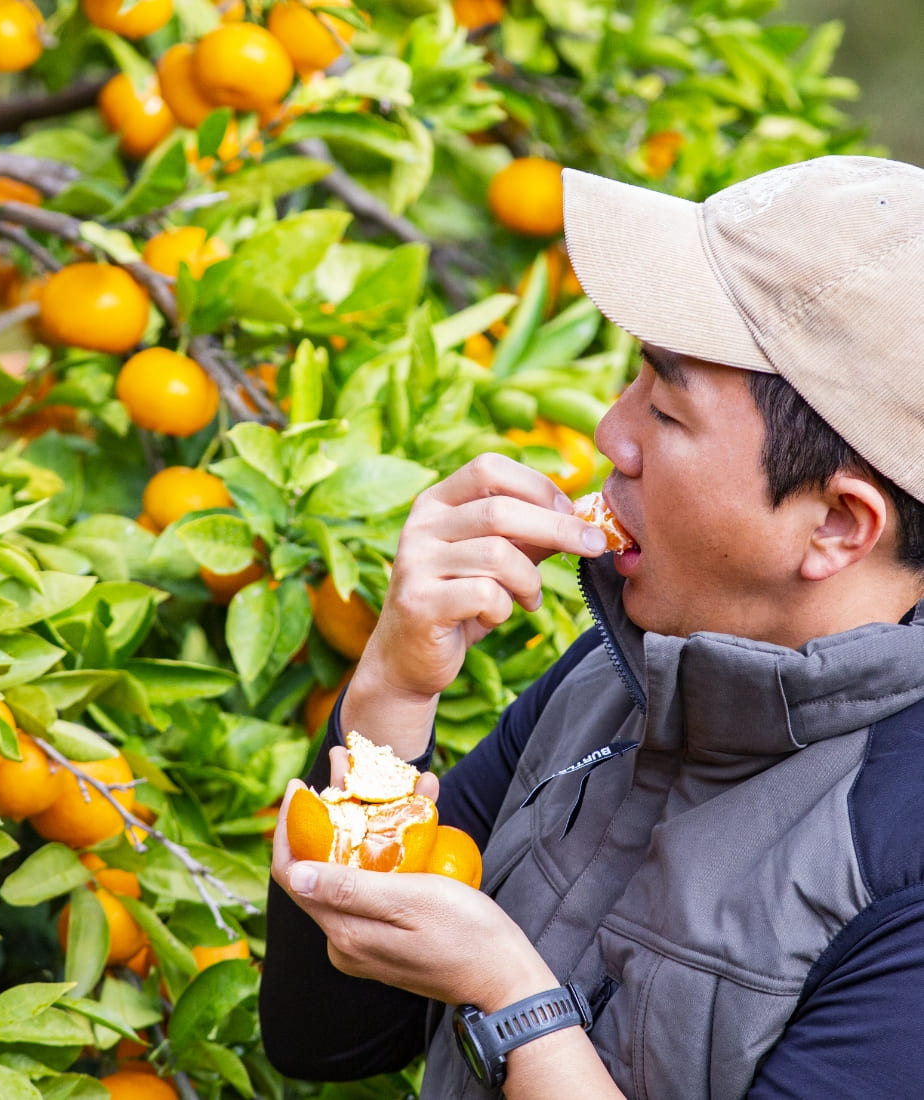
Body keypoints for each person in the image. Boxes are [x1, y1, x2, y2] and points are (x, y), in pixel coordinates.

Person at [259, 155, 924, 1098]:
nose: (611, 436)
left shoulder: (900, 870)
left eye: (663, 407)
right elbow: (326, 1036)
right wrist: (396, 687)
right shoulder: (617, 680)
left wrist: (512, 998)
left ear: (836, 526)